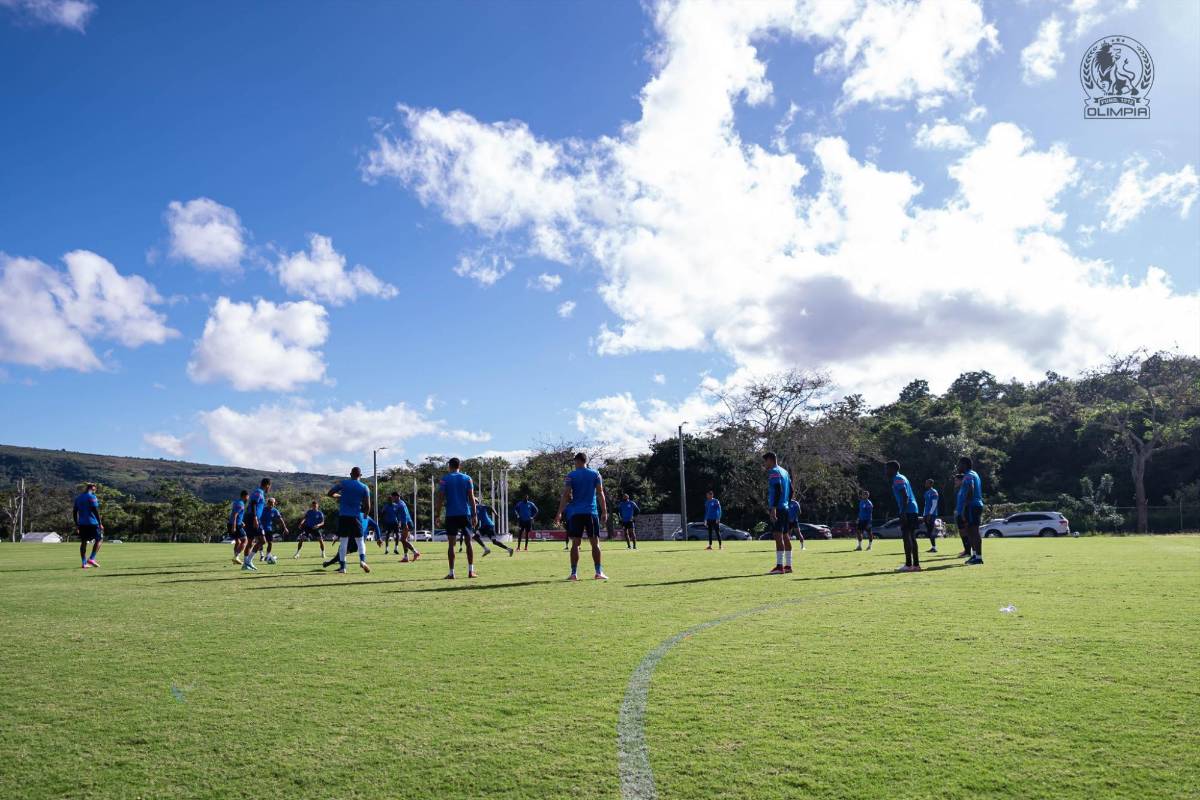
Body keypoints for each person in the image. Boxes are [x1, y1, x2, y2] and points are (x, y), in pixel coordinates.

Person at [554, 452, 608, 581]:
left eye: (574, 461)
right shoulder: (596, 474)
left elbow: (566, 495)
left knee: (575, 544)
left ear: (578, 461)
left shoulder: (571, 475)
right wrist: (604, 511)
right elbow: (600, 493)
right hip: (591, 512)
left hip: (576, 513)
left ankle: (574, 574)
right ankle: (598, 572)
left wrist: (559, 512)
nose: (574, 464)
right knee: (595, 543)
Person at [436, 458, 478, 579]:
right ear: (459, 466)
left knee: (451, 545)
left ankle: (451, 573)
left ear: (449, 466)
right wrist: (474, 515)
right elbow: (471, 498)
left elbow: (440, 498)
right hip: (465, 514)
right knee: (468, 542)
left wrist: (437, 515)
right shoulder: (467, 478)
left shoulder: (444, 479)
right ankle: (471, 571)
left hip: (451, 515)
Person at [325, 467, 372, 574]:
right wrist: (365, 515)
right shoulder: (364, 487)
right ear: (360, 475)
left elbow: (330, 493)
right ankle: (362, 561)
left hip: (344, 516)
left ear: (351, 474)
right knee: (360, 540)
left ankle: (343, 568)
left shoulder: (344, 483)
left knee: (343, 542)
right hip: (356, 516)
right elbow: (368, 506)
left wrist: (340, 496)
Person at [886, 461, 921, 573]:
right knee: (912, 537)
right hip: (912, 509)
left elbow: (905, 496)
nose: (886, 471)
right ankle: (916, 565)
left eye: (887, 469)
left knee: (906, 537)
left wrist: (903, 512)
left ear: (893, 469)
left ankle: (908, 565)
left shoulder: (897, 478)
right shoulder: (902, 477)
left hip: (908, 510)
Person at [764, 451, 793, 574]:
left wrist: (774, 508)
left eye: (765, 461)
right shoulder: (785, 472)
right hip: (785, 508)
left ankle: (779, 566)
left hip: (779, 508)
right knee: (786, 536)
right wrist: (787, 503)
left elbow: (778, 489)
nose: (765, 464)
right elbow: (791, 490)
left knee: (778, 536)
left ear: (770, 460)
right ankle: (788, 566)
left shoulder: (774, 471)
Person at [957, 457, 985, 565]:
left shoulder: (969, 475)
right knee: (969, 531)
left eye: (959, 464)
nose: (958, 467)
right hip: (971, 506)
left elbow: (971, 489)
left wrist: (965, 507)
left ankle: (979, 557)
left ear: (964, 464)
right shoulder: (971, 474)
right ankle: (974, 555)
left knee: (974, 531)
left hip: (972, 506)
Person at [241, 478, 271, 572]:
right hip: (253, 518)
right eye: (269, 486)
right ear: (267, 485)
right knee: (262, 541)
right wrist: (255, 518)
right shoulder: (259, 492)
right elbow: (254, 504)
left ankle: (245, 565)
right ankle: (248, 561)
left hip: (250, 518)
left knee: (250, 542)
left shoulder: (258, 492)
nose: (269, 488)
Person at [73, 483, 103, 569]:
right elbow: (95, 510)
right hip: (93, 523)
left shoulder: (78, 498)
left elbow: (74, 512)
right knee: (99, 539)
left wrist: (77, 524)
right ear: (93, 488)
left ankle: (84, 563)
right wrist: (100, 523)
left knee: (84, 542)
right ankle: (92, 559)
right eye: (95, 489)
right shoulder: (92, 497)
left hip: (82, 524)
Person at [952, 473, 970, 557]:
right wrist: (956, 510)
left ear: (961, 480)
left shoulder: (965, 488)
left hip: (963, 514)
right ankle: (966, 550)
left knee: (965, 532)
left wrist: (963, 512)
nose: (955, 482)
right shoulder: (960, 490)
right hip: (958, 513)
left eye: (956, 480)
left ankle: (968, 552)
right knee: (962, 532)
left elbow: (966, 501)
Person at [922, 479, 940, 553]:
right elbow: (926, 504)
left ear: (931, 484)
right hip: (926, 514)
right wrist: (924, 514)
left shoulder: (934, 492)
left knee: (930, 531)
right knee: (929, 531)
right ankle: (933, 547)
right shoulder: (926, 493)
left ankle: (934, 547)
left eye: (927, 483)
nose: (925, 484)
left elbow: (934, 504)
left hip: (931, 514)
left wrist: (930, 514)